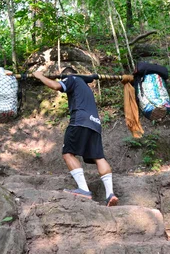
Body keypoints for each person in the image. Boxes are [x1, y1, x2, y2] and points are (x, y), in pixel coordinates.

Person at [33, 66, 118, 206]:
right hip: (95, 123)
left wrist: (40, 76)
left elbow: (55, 86)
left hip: (80, 121)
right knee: (98, 157)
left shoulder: (72, 78)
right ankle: (110, 194)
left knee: (68, 153)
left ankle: (84, 190)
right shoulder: (85, 87)